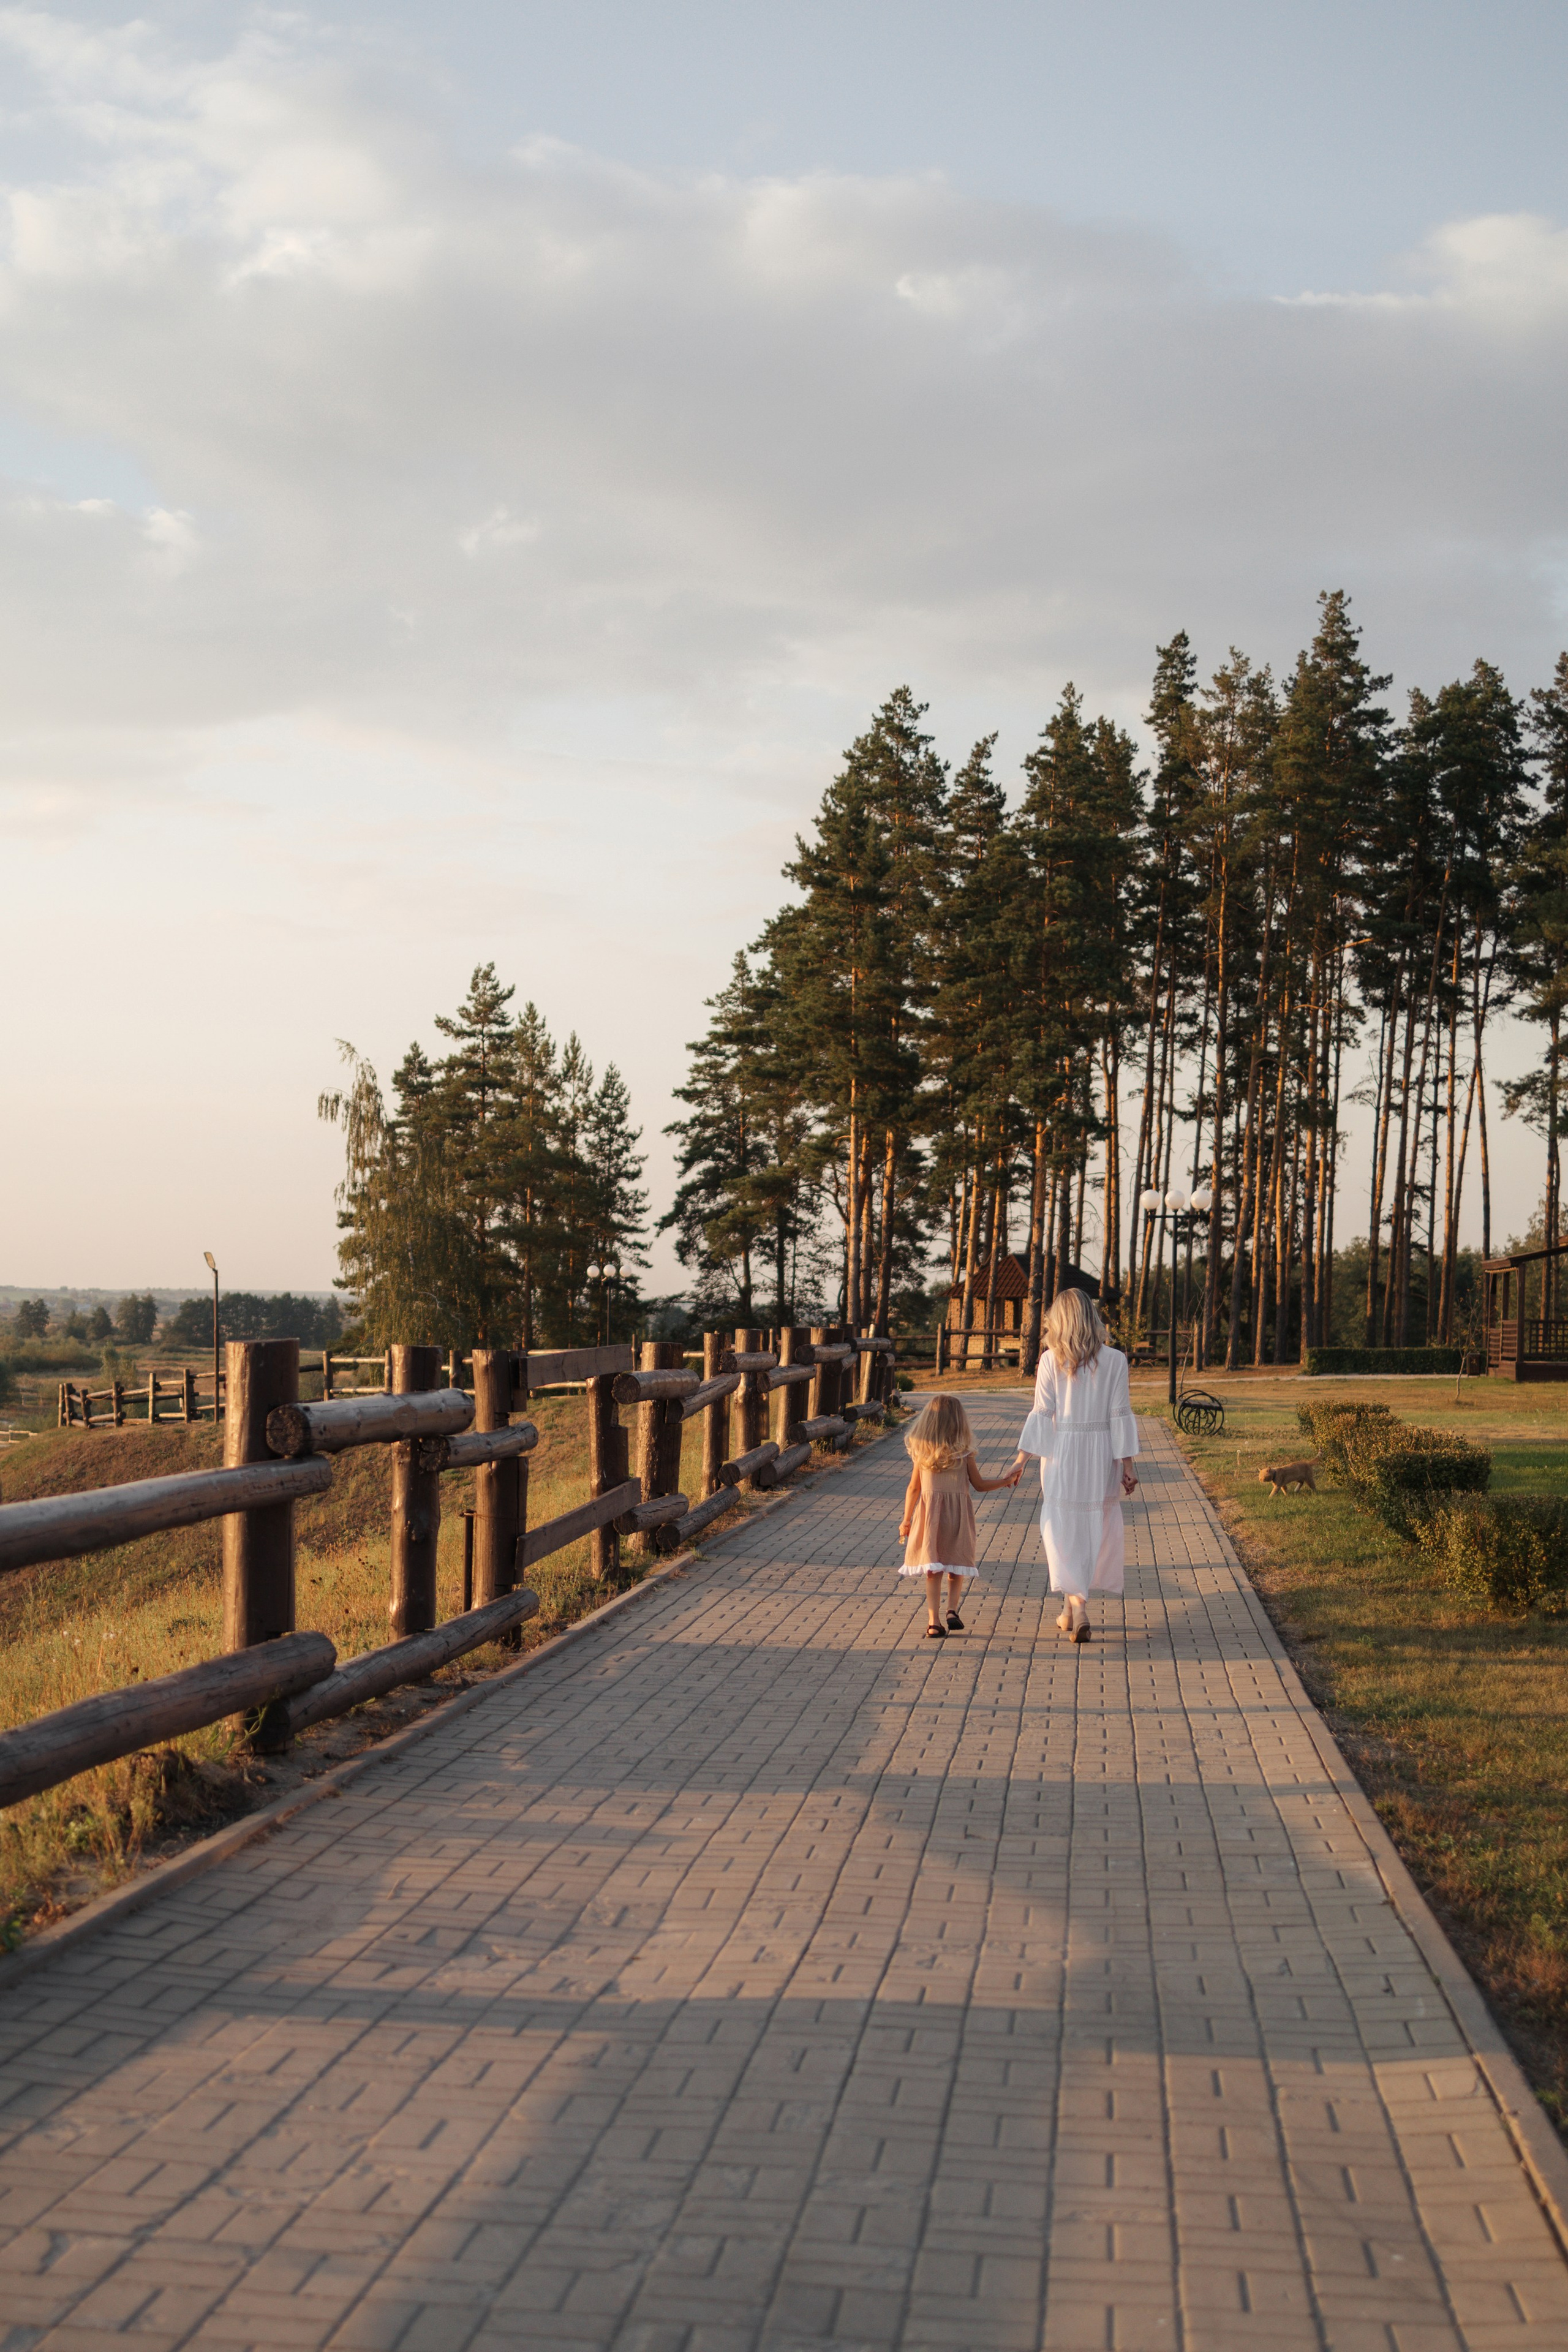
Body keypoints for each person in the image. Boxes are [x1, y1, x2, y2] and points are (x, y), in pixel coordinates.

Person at [1017, 1287, 1139, 1643]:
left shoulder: (1049, 1360)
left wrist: (1021, 1459)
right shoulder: (1116, 1360)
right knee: (1092, 1527)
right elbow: (1120, 1417)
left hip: (1063, 1454)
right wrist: (1127, 1465)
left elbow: (1042, 1414)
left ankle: (1080, 1608)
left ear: (1059, 1319)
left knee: (1061, 1529)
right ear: (1091, 1316)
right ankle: (1070, 1611)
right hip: (1101, 1455)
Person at [897, 1392, 1023, 1637]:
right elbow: (979, 1485)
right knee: (956, 1566)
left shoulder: (923, 1454)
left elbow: (914, 1488)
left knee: (933, 1570)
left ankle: (933, 1622)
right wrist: (1006, 1481)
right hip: (958, 1517)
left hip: (930, 1517)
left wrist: (906, 1519)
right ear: (959, 1422)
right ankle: (952, 1610)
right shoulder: (964, 1454)